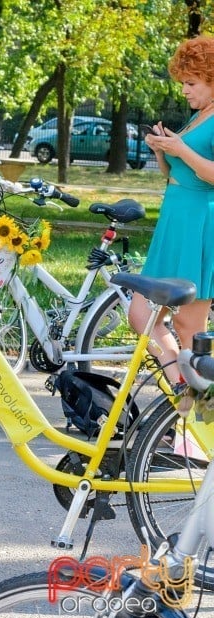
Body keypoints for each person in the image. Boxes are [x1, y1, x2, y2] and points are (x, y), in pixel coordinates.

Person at [130, 35, 214, 384]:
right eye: (183, 83)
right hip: (174, 221)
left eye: (191, 83)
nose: (184, 91)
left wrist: (180, 149)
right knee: (140, 314)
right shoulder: (199, 117)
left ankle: (198, 413)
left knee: (189, 328)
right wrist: (162, 152)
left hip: (199, 224)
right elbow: (171, 175)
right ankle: (181, 392)